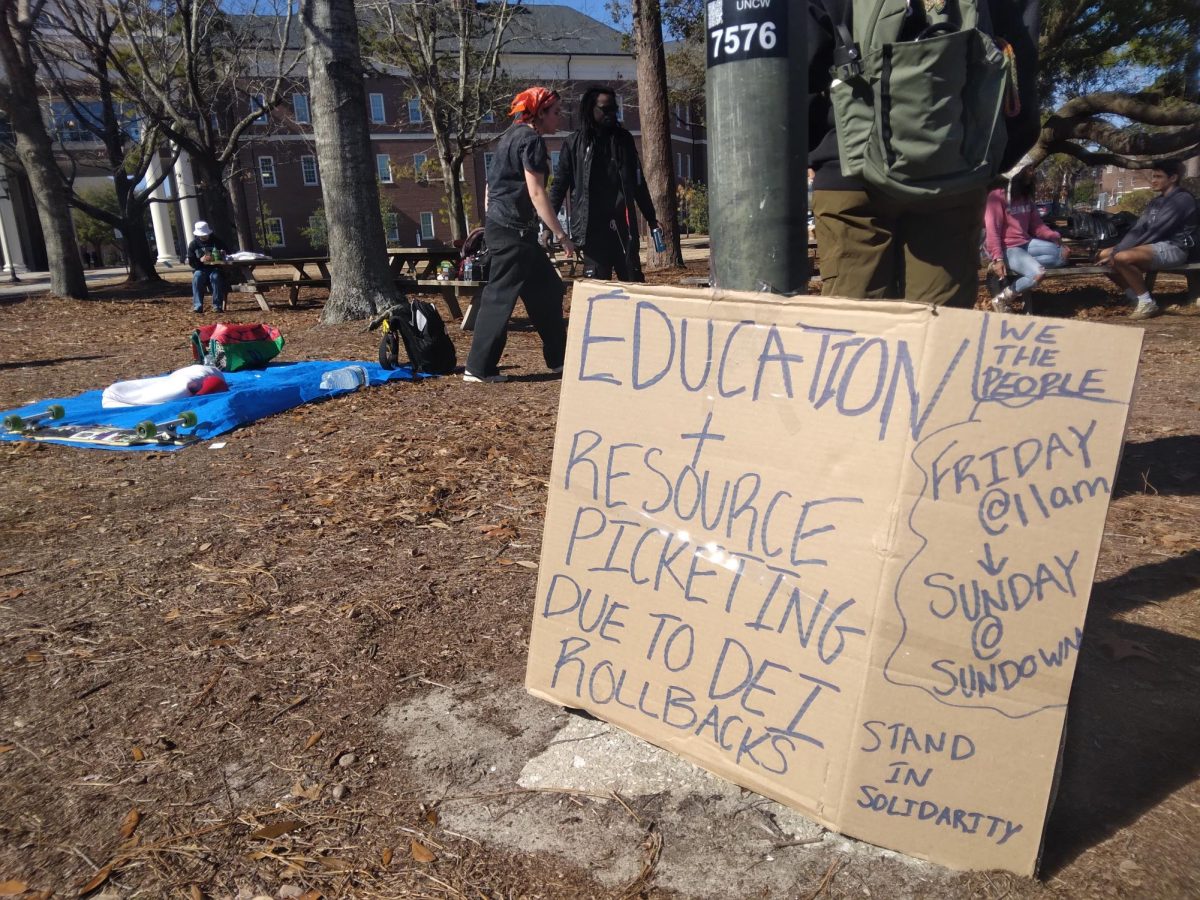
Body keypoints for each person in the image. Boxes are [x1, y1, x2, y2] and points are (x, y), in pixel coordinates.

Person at [807, 0, 1042, 307]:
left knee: (854, 338)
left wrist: (821, 151)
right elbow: (1019, 62)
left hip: (851, 168)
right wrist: (992, 156)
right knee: (939, 335)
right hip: (956, 168)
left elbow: (801, 65)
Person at [463, 87, 577, 384]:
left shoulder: (509, 137)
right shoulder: (531, 140)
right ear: (539, 113)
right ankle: (477, 368)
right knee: (499, 297)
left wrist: (492, 220)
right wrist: (561, 235)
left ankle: (560, 361)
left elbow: (490, 187)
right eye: (555, 112)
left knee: (548, 290)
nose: (559, 117)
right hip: (514, 232)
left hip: (509, 230)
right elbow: (537, 192)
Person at [549, 85, 658, 281]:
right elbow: (559, 186)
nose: (611, 113)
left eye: (613, 108)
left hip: (623, 227)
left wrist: (651, 218)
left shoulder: (624, 140)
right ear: (591, 110)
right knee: (597, 288)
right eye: (605, 109)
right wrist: (548, 226)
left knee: (633, 281)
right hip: (592, 230)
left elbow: (638, 182)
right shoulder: (574, 143)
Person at [1097, 160, 1198, 320]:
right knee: (1103, 255)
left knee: (1122, 258)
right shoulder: (1155, 202)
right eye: (1153, 176)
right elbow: (1138, 230)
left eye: (1158, 176)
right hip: (1153, 246)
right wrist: (1115, 250)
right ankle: (1136, 297)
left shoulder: (1182, 200)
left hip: (1176, 248)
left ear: (1173, 178)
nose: (1153, 180)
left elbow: (1156, 231)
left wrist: (1118, 253)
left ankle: (1147, 304)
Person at [984, 166, 1068, 312]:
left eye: (1032, 169)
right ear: (1016, 172)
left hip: (1026, 244)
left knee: (1062, 255)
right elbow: (993, 231)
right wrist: (997, 258)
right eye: (1028, 170)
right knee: (1038, 273)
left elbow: (1037, 225)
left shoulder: (1026, 199)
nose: (1032, 173)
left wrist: (1054, 237)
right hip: (1007, 249)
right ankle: (1002, 299)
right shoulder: (997, 197)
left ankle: (1026, 265)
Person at [187, 221, 230, 314]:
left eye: (206, 235)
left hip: (215, 268)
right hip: (200, 269)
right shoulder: (193, 244)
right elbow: (192, 262)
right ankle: (198, 306)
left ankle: (217, 306)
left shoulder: (217, 241)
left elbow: (228, 253)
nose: (204, 237)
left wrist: (223, 254)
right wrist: (200, 260)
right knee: (197, 276)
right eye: (202, 235)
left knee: (216, 277)